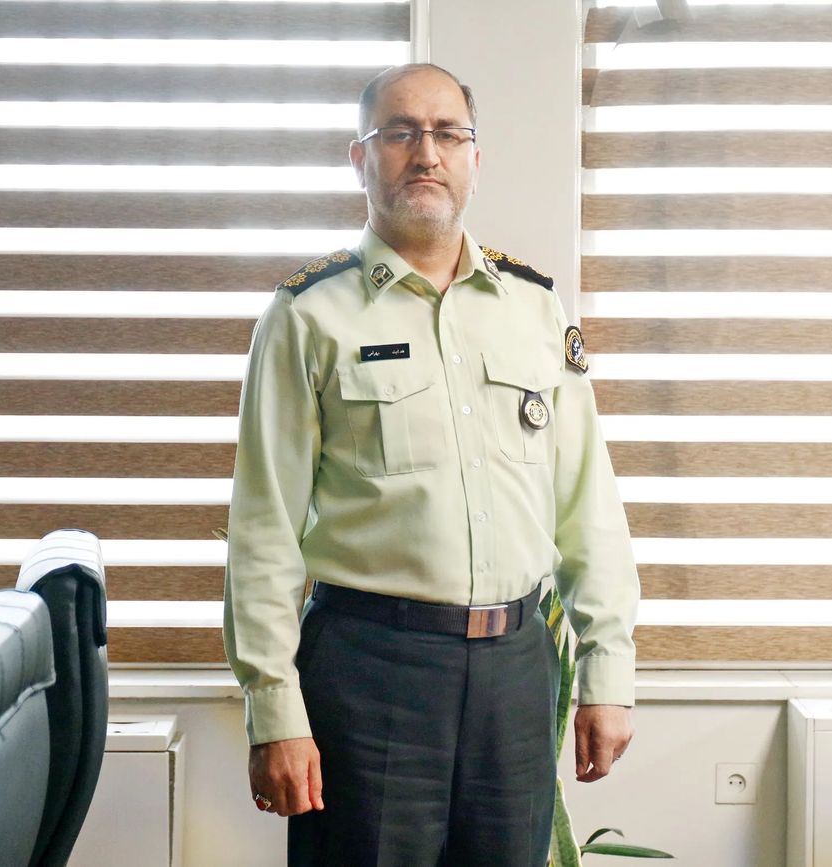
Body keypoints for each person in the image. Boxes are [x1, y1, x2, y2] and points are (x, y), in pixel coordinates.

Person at [223, 62, 639, 866]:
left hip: (516, 674)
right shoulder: (308, 315)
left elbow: (588, 503)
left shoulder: (534, 307)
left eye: (449, 133)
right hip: (368, 671)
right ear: (360, 158)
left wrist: (608, 668)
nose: (427, 152)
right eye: (400, 133)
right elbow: (263, 528)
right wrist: (274, 709)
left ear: (475, 158)